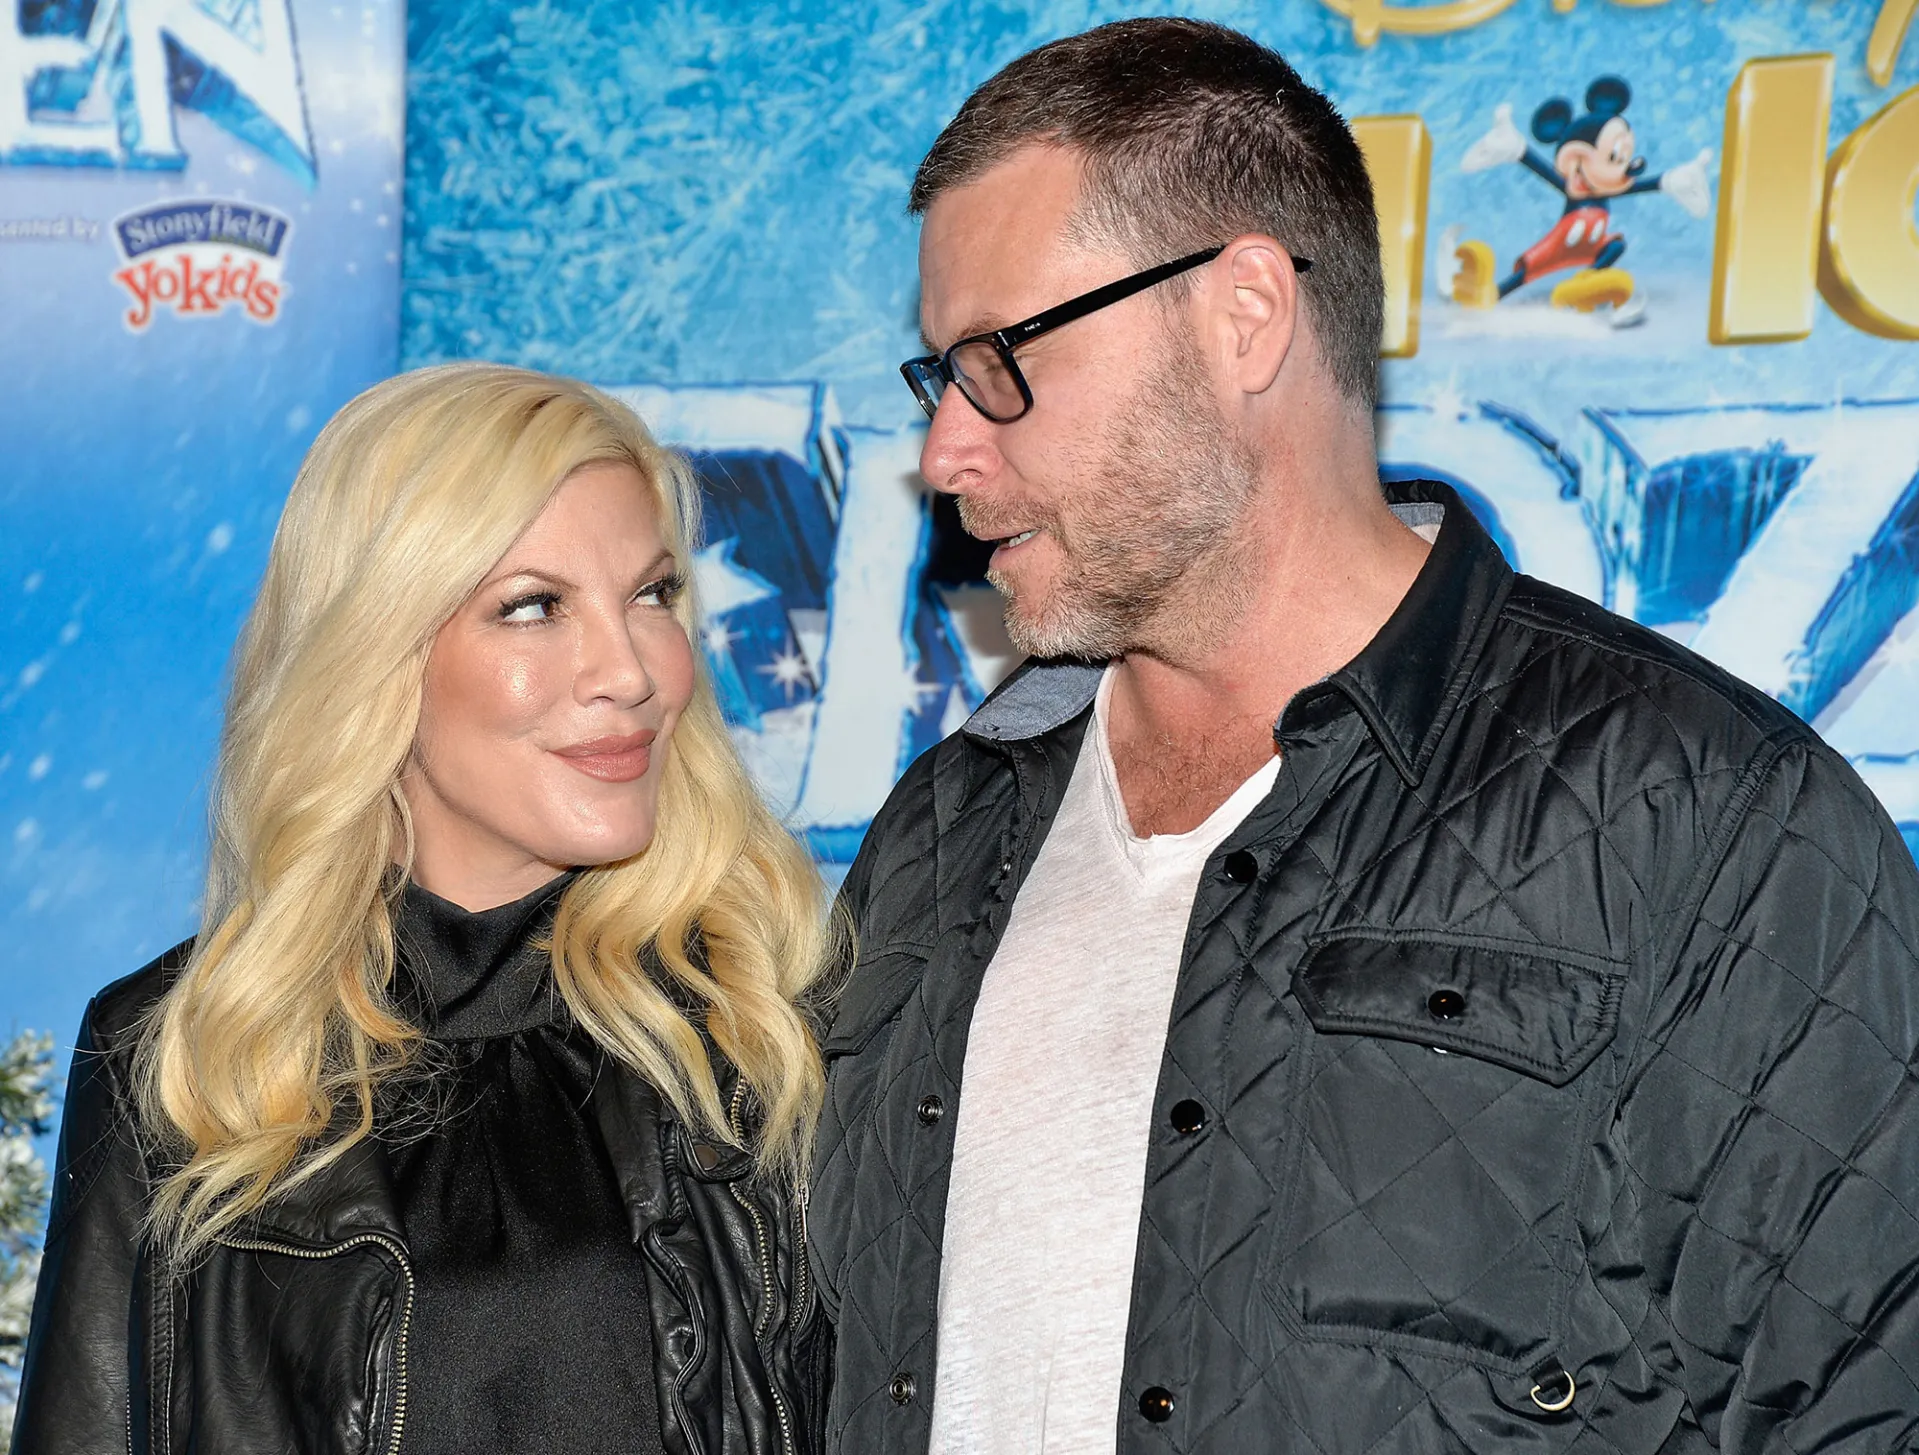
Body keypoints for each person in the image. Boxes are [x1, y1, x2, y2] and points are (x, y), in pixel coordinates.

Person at [810, 17, 1919, 1455]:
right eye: (939, 378)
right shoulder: (941, 830)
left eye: (997, 361)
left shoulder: (1709, 824)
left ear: (1243, 314)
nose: (946, 451)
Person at [15, 363, 838, 1454]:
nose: (630, 672)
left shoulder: (775, 1023)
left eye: (650, 595)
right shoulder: (183, 1055)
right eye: (534, 607)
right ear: (376, 654)